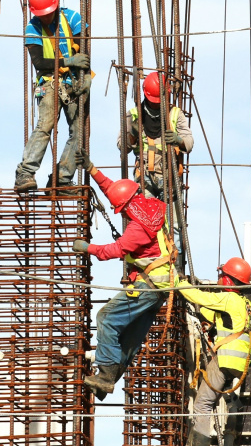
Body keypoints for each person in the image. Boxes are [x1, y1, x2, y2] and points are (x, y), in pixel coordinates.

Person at [74, 162, 178, 398]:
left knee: (106, 318)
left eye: (120, 209)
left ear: (126, 206)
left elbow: (113, 251)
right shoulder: (150, 206)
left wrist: (87, 247)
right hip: (159, 288)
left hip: (148, 286)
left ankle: (106, 374)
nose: (119, 212)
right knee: (130, 338)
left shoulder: (137, 229)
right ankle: (107, 380)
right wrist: (93, 171)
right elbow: (117, 190)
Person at [14, 0, 91, 193]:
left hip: (73, 83)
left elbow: (83, 48)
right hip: (50, 82)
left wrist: (85, 74)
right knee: (45, 126)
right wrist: (68, 61)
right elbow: (39, 62)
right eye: (42, 14)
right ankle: (25, 173)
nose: (46, 17)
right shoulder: (32, 28)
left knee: (80, 132)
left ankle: (62, 179)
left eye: (48, 13)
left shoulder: (72, 18)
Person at [177, 258, 251, 444]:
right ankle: (232, 423)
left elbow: (202, 298)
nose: (219, 278)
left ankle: (199, 444)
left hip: (225, 360)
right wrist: (200, 312)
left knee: (203, 404)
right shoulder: (246, 304)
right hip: (240, 363)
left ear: (229, 280)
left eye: (222, 275)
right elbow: (217, 315)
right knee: (227, 398)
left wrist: (180, 283)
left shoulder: (228, 298)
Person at [118, 71, 193, 200]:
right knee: (147, 217)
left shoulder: (175, 114)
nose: (157, 104)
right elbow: (122, 147)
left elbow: (189, 143)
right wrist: (133, 135)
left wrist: (178, 140)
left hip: (169, 174)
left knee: (173, 220)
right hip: (144, 176)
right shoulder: (134, 115)